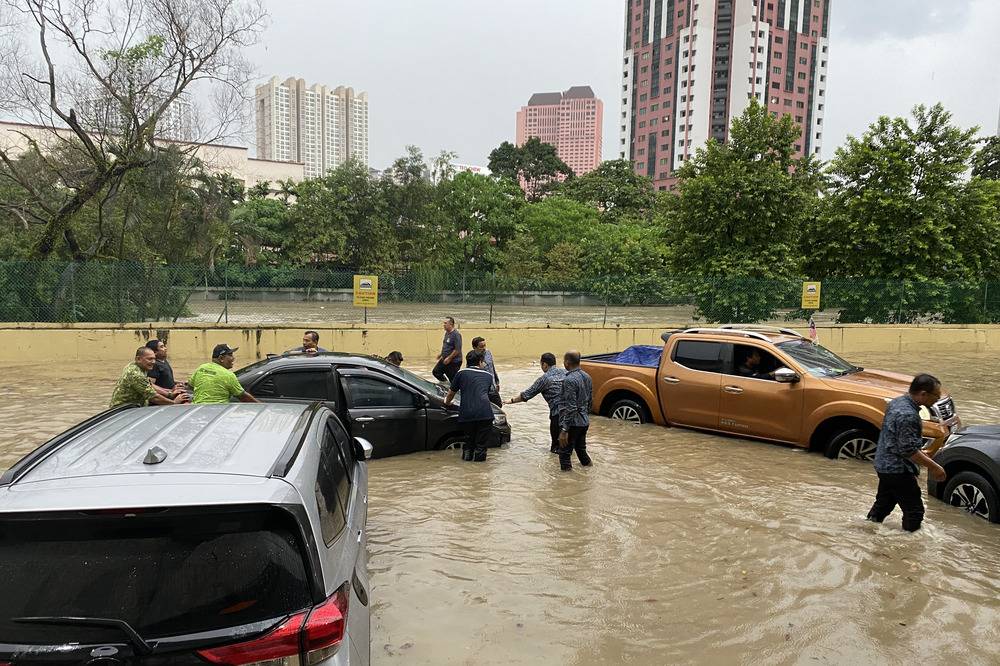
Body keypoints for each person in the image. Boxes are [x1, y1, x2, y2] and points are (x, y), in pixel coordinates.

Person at [867, 374, 948, 532]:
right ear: (923, 394)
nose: (936, 400)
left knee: (883, 504)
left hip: (883, 464)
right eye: (936, 396)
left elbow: (898, 439)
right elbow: (909, 451)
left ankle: (866, 533)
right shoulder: (908, 415)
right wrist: (935, 467)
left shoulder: (897, 401)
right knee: (915, 511)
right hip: (897, 469)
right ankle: (908, 549)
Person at [506, 352, 566, 453]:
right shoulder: (566, 372)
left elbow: (526, 395)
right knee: (569, 447)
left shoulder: (545, 379)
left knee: (556, 449)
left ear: (544, 365)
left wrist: (510, 401)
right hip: (574, 413)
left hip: (558, 414)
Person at [445, 350, 496, 462]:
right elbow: (488, 393)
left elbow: (451, 393)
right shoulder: (488, 375)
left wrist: (447, 403)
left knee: (468, 442)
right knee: (481, 445)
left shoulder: (460, 373)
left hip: (467, 414)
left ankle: (468, 470)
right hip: (485, 414)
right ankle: (479, 474)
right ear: (480, 362)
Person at [110, 347, 189, 408]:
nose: (153, 362)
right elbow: (153, 397)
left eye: (154, 359)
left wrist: (170, 393)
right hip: (123, 409)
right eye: (150, 359)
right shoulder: (135, 374)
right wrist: (174, 403)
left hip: (133, 407)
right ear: (138, 359)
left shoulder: (136, 366)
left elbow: (149, 384)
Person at [558, 350, 593, 471]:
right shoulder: (587, 377)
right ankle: (589, 474)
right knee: (581, 451)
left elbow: (571, 407)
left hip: (573, 423)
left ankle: (567, 486)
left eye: (564, 361)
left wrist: (564, 430)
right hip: (584, 422)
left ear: (567, 362)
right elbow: (590, 402)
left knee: (564, 455)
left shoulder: (569, 380)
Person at [190, 344, 260, 405]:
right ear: (221, 358)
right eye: (230, 355)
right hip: (218, 412)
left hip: (197, 410)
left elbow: (191, 386)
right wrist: (262, 406)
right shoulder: (228, 375)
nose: (233, 358)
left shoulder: (201, 368)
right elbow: (243, 397)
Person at [471, 336, 502, 407]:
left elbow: (492, 368)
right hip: (481, 390)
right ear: (474, 347)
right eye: (481, 346)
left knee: (498, 406)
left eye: (485, 345)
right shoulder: (472, 358)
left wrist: (497, 382)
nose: (484, 348)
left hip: (492, 387)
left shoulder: (488, 353)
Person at [432, 317, 463, 382]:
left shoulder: (456, 335)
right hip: (444, 359)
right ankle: (445, 384)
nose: (444, 325)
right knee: (436, 372)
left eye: (445, 323)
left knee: (453, 379)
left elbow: (457, 349)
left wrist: (449, 358)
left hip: (453, 361)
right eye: (444, 323)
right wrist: (441, 354)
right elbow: (447, 346)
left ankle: (454, 389)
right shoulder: (447, 333)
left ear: (451, 324)